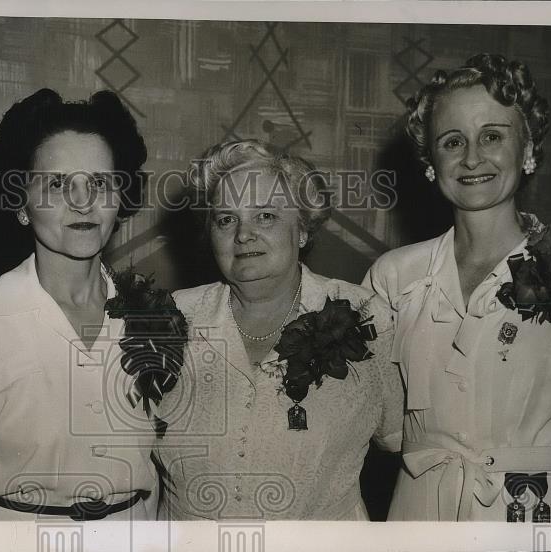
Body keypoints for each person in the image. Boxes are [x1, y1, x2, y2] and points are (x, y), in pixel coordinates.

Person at [363, 53, 551, 522]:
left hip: (538, 517)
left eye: (492, 136)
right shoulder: (393, 276)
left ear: (526, 149)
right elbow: (377, 428)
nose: (471, 158)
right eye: (451, 142)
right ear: (430, 161)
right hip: (419, 517)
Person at [156, 139, 403, 520]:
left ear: (302, 229)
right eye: (226, 219)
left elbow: (400, 439)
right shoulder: (170, 320)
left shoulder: (364, 318)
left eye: (266, 216)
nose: (243, 234)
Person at [0, 88, 163, 521]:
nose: (83, 201)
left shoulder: (155, 318)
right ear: (22, 205)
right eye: (57, 184)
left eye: (100, 182)